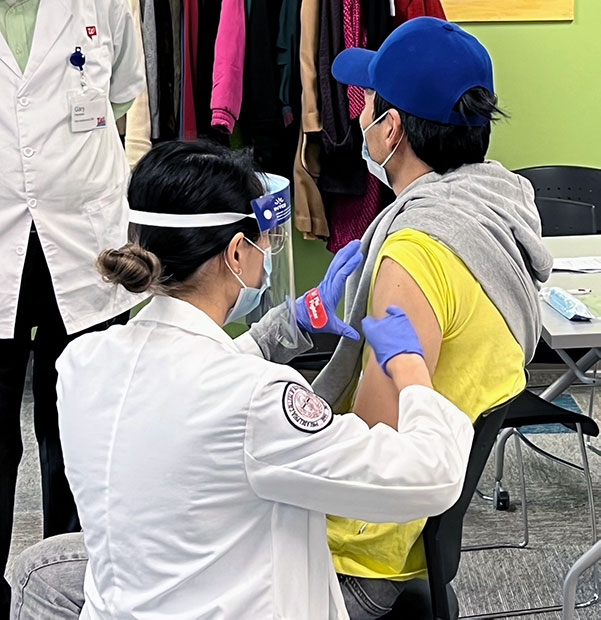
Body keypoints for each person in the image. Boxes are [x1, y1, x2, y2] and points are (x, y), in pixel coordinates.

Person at [9, 140, 474, 619]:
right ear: (235, 251)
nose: (267, 251)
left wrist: (288, 326)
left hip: (132, 600)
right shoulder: (259, 400)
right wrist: (412, 369)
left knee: (37, 569)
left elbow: (183, 389)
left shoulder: (82, 364)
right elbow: (428, 478)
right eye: (264, 240)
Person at [310, 17, 554, 618]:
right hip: (413, 536)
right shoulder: (493, 217)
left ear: (390, 128)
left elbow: (373, 446)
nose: (361, 117)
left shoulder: (414, 253)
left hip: (355, 560)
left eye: (368, 104)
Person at [0, 0, 145, 613]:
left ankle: (77, 589)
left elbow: (119, 95)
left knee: (79, 428)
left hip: (86, 241)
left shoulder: (105, 2)